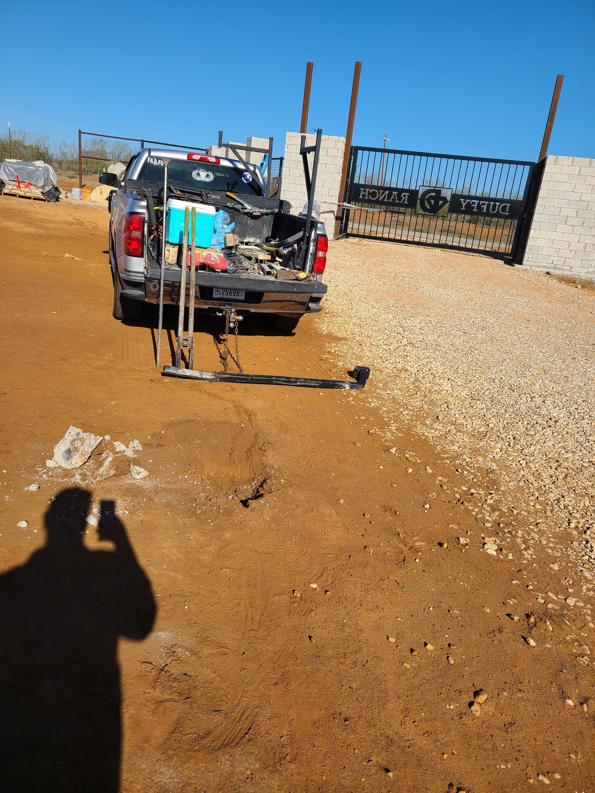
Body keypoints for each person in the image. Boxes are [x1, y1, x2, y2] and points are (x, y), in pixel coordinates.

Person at [0, 488, 156, 792]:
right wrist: (122, 543)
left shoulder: (11, 583)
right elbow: (141, 628)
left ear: (46, 522)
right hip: (91, 731)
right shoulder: (105, 567)